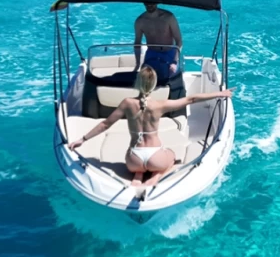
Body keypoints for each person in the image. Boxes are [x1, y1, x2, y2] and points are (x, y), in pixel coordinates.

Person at [68, 65, 233, 188]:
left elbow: (105, 124)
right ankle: (156, 176)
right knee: (172, 155)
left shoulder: (127, 103)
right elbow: (191, 99)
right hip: (156, 158)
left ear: (137, 83)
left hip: (133, 159)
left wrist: (82, 140)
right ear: (153, 85)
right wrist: (220, 93)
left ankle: (138, 175)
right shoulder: (159, 105)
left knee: (139, 165)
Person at [134, 2, 182, 80]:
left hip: (168, 53)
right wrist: (138, 64)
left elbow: (179, 40)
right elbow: (137, 43)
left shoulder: (169, 17)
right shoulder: (140, 21)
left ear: (157, 2)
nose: (149, 5)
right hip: (151, 53)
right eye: (147, 3)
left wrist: (174, 62)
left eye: (152, 3)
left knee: (172, 74)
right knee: (145, 77)